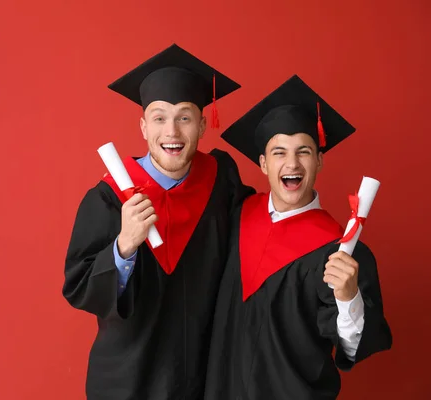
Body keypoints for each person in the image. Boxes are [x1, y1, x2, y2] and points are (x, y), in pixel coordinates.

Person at [62, 43, 253, 400]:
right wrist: (123, 247)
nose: (172, 132)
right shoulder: (108, 199)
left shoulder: (221, 181)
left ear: (201, 124)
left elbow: (256, 236)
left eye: (184, 117)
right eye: (160, 117)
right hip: (131, 378)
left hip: (203, 375)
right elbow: (79, 286)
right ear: (143, 126)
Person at [204, 75, 392, 400]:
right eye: (279, 152)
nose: (292, 163)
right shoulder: (236, 214)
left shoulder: (337, 250)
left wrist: (348, 297)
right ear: (263, 164)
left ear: (319, 160)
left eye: (303, 151)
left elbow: (351, 347)